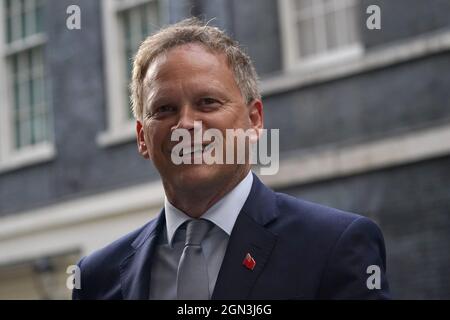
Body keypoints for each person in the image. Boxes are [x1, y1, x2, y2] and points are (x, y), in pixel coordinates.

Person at [72, 18, 390, 300]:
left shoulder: (333, 247)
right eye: (164, 109)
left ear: (254, 120)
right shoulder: (97, 279)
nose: (185, 124)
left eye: (207, 102)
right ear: (143, 137)